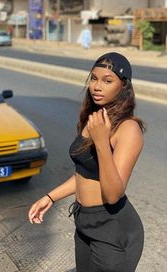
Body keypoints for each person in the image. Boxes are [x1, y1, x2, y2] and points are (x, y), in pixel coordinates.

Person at [28, 52, 145, 272]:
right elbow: (85, 174)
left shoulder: (128, 129)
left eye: (107, 80)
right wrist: (50, 197)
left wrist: (101, 142)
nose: (97, 86)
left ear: (123, 86)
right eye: (93, 78)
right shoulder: (93, 118)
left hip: (112, 228)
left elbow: (113, 195)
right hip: (84, 221)